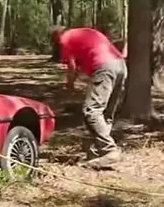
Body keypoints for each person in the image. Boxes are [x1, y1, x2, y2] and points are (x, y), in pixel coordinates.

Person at [50, 26, 128, 170]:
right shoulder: (85, 32)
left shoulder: (65, 39)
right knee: (105, 114)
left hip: (104, 67)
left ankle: (109, 150)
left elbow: (72, 66)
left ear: (56, 36)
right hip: (120, 65)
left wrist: (69, 85)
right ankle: (98, 152)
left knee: (91, 110)